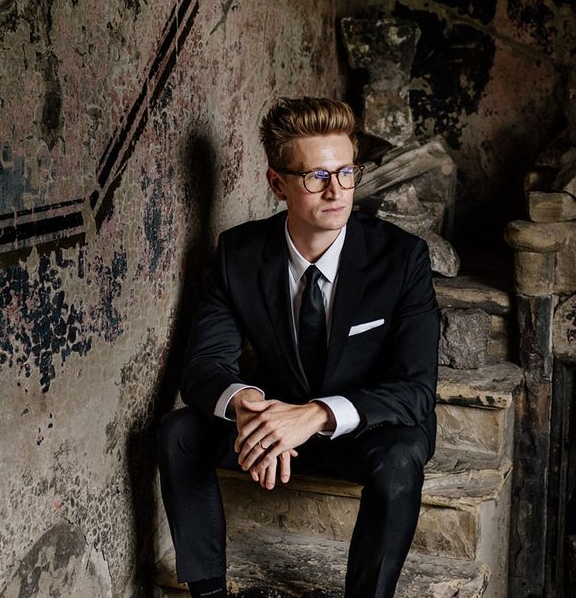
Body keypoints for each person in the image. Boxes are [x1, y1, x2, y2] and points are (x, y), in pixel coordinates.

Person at [158, 97, 439, 598]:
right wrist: (249, 407)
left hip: (362, 429)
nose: (337, 191)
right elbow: (203, 364)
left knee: (402, 459)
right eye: (316, 177)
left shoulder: (401, 259)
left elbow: (415, 391)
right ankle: (207, 592)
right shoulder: (238, 254)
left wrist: (314, 415)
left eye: (347, 173)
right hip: (274, 423)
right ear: (277, 183)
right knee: (180, 430)